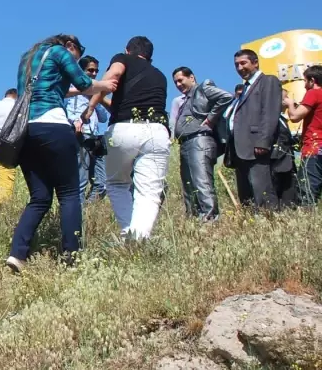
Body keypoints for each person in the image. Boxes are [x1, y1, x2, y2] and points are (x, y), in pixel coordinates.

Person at [7, 35, 117, 272]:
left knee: (40, 198)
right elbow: (85, 83)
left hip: (26, 132)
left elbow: (57, 87)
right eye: (78, 53)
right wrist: (105, 86)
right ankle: (72, 256)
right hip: (53, 127)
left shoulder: (27, 57)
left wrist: (78, 90)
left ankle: (17, 254)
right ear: (70, 46)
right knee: (68, 194)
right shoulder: (60, 52)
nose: (76, 58)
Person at [84, 36, 170, 240]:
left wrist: (90, 107)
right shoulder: (160, 76)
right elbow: (126, 102)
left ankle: (127, 232)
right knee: (149, 191)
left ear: (127, 49)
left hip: (124, 130)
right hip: (157, 131)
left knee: (117, 184)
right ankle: (138, 238)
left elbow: (111, 77)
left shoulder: (123, 58)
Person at [223, 49, 284, 210]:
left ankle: (269, 224)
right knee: (247, 196)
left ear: (255, 62)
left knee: (262, 191)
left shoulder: (268, 81)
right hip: (241, 149)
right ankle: (253, 229)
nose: (239, 67)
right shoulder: (245, 89)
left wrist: (263, 141)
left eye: (243, 63)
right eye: (236, 64)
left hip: (257, 147)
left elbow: (270, 112)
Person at [171, 67, 232, 220]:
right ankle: (193, 220)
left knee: (201, 181)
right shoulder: (185, 99)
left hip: (200, 140)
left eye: (180, 80)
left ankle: (210, 219)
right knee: (188, 185)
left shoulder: (203, 88)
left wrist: (211, 118)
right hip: (186, 143)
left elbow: (226, 96)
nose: (178, 84)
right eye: (175, 82)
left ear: (191, 77)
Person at [64, 56, 109, 200]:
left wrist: (95, 102)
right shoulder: (71, 91)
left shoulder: (95, 93)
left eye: (96, 71)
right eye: (90, 70)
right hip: (80, 135)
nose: (94, 73)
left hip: (95, 136)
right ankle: (80, 213)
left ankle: (89, 209)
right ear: (81, 71)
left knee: (101, 181)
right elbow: (64, 111)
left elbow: (103, 118)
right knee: (81, 179)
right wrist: (74, 122)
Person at [284, 65, 322, 204]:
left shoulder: (314, 93)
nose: (305, 86)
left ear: (312, 80)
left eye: (305, 81)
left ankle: (308, 222)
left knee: (307, 190)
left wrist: (289, 104)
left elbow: (295, 117)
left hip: (314, 147)